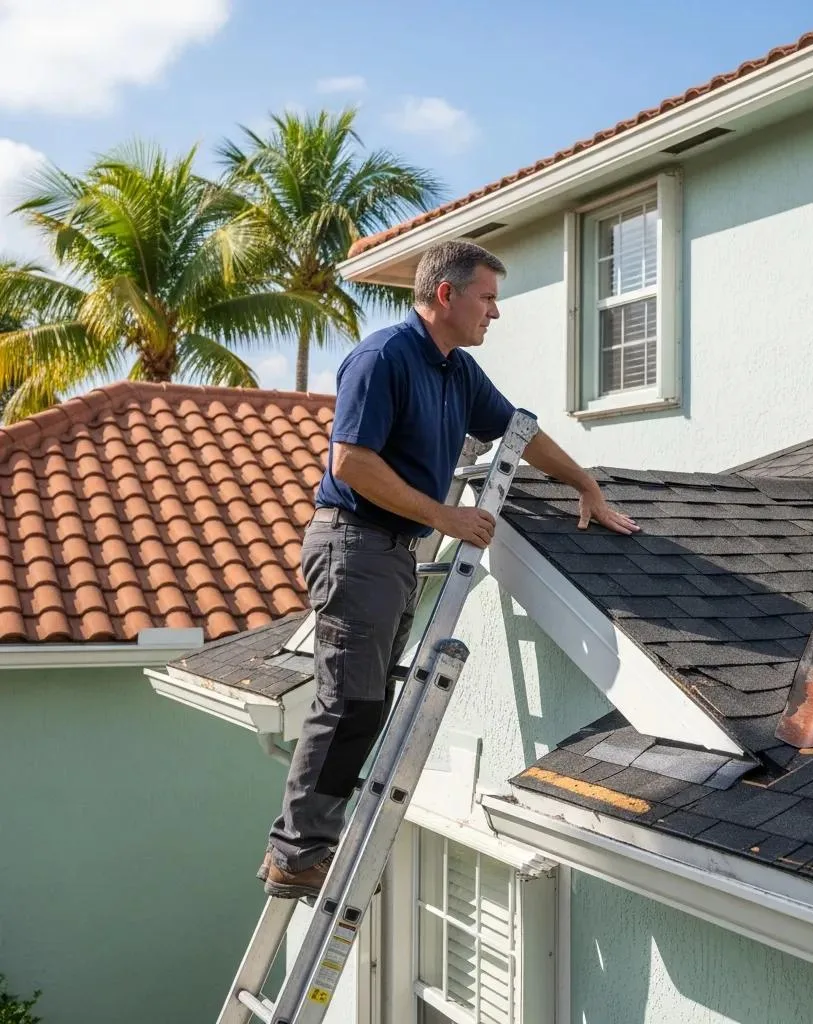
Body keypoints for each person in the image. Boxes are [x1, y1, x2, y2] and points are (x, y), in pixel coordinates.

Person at [259, 239, 638, 898]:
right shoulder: (384, 358)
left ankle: (306, 844)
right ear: (446, 295)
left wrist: (585, 484)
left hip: (390, 554)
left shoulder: (454, 371)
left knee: (366, 702)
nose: (495, 312)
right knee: (348, 703)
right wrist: (445, 517)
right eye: (487, 298)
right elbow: (349, 462)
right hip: (355, 544)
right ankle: (297, 852)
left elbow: (520, 432)